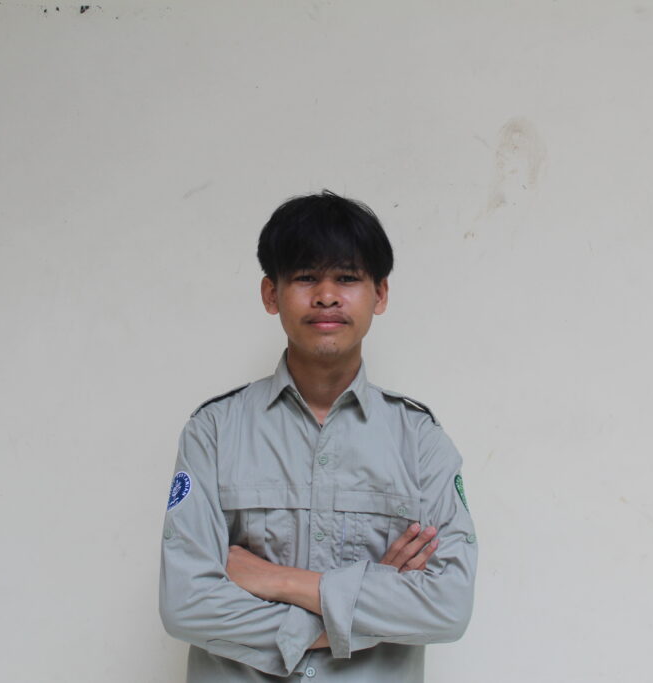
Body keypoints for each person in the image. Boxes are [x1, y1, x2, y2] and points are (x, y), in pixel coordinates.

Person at [159, 191, 477, 681]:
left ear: (380, 294)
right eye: (306, 277)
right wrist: (373, 601)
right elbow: (186, 605)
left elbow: (447, 607)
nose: (326, 296)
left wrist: (277, 580)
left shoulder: (420, 441)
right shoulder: (214, 431)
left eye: (347, 278)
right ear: (271, 294)